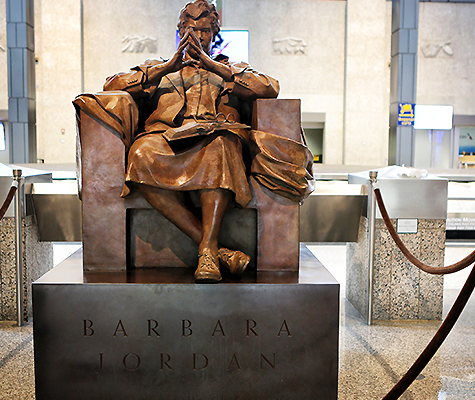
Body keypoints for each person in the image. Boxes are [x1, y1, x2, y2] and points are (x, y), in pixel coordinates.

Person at [94, 0, 312, 282]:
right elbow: (111, 86)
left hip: (216, 135)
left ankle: (208, 252)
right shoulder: (159, 68)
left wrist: (214, 67)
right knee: (140, 154)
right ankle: (216, 250)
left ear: (214, 34)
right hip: (166, 139)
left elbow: (268, 88)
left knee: (220, 146)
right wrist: (166, 67)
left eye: (205, 31)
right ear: (180, 32)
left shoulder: (231, 68)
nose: (197, 36)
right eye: (190, 30)